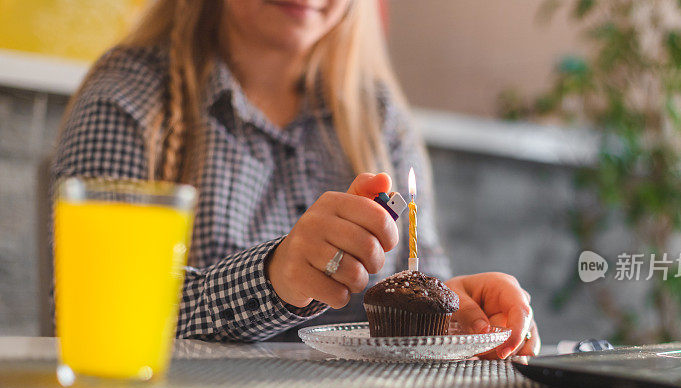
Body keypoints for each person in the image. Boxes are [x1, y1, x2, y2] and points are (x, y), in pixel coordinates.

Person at [52, 0, 540, 359]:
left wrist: (462, 314)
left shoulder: (379, 117)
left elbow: (421, 274)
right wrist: (274, 276)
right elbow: (95, 309)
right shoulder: (131, 99)